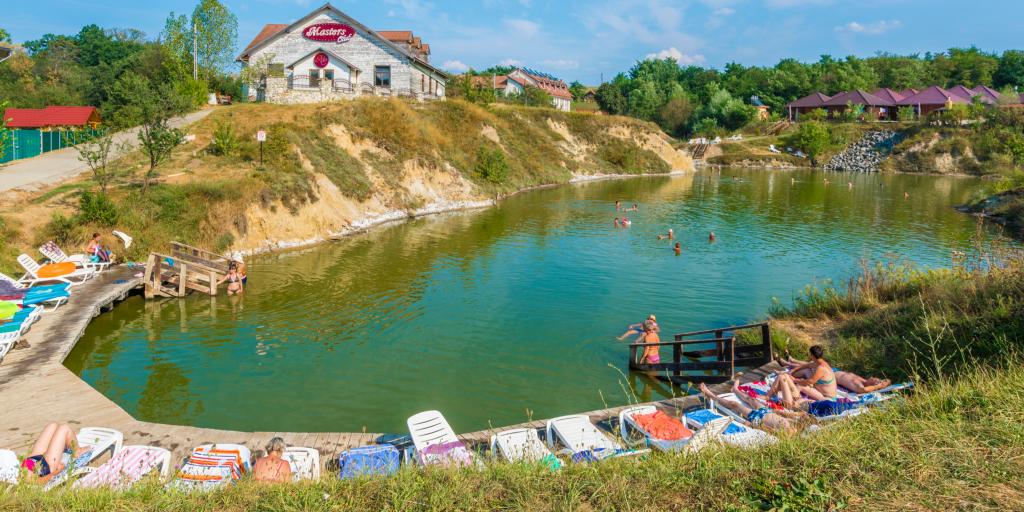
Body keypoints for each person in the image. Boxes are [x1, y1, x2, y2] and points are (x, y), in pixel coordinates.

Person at [697, 383, 801, 434]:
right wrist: (774, 410)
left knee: (735, 404)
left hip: (758, 418)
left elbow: (770, 431)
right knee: (751, 399)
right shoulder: (797, 422)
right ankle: (735, 389)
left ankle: (710, 394)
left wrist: (752, 425)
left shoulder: (790, 433)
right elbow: (784, 415)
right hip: (767, 411)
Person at [780, 356, 891, 394]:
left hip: (827, 378)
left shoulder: (859, 386)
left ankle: (788, 365)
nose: (876, 378)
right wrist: (885, 383)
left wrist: (878, 387)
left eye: (877, 380)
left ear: (873, 384)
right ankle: (791, 361)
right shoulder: (863, 379)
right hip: (832, 371)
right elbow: (888, 381)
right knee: (815, 364)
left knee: (811, 367)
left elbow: (864, 390)